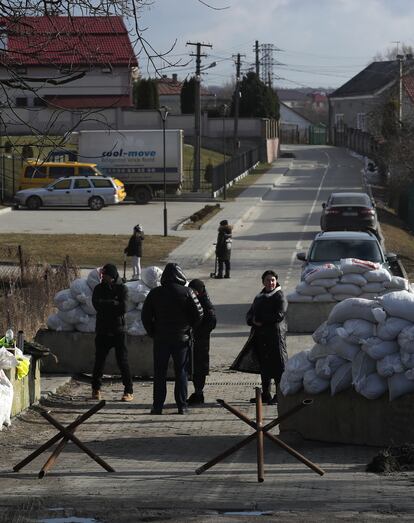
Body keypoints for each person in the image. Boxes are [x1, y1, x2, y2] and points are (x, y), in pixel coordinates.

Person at [141, 263, 204, 415]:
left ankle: (157, 406)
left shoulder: (155, 293)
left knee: (159, 373)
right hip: (181, 339)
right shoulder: (188, 292)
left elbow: (145, 316)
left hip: (161, 338)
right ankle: (182, 406)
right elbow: (199, 313)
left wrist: (152, 332)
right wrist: (189, 328)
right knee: (181, 372)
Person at [231, 270, 287, 405]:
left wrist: (261, 320)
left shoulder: (280, 296)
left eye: (272, 280)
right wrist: (252, 320)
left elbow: (279, 315)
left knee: (278, 367)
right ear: (263, 282)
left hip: (275, 338)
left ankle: (279, 395)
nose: (270, 283)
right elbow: (250, 314)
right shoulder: (260, 297)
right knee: (265, 367)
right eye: (268, 280)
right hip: (261, 338)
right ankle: (265, 394)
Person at [91, 263, 134, 402]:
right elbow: (96, 305)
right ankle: (96, 389)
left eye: (107, 276)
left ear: (113, 276)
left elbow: (123, 307)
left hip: (118, 330)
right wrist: (113, 303)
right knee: (99, 361)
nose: (104, 278)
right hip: (103, 330)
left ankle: (128, 390)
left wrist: (107, 304)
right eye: (103, 275)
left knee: (123, 361)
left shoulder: (123, 289)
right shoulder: (98, 288)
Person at [187, 279, 217, 405]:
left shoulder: (205, 303)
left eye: (194, 290)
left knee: (199, 367)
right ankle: (197, 392)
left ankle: (199, 393)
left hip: (201, 341)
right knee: (194, 367)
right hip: (194, 339)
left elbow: (212, 322)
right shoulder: (191, 300)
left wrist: (198, 331)